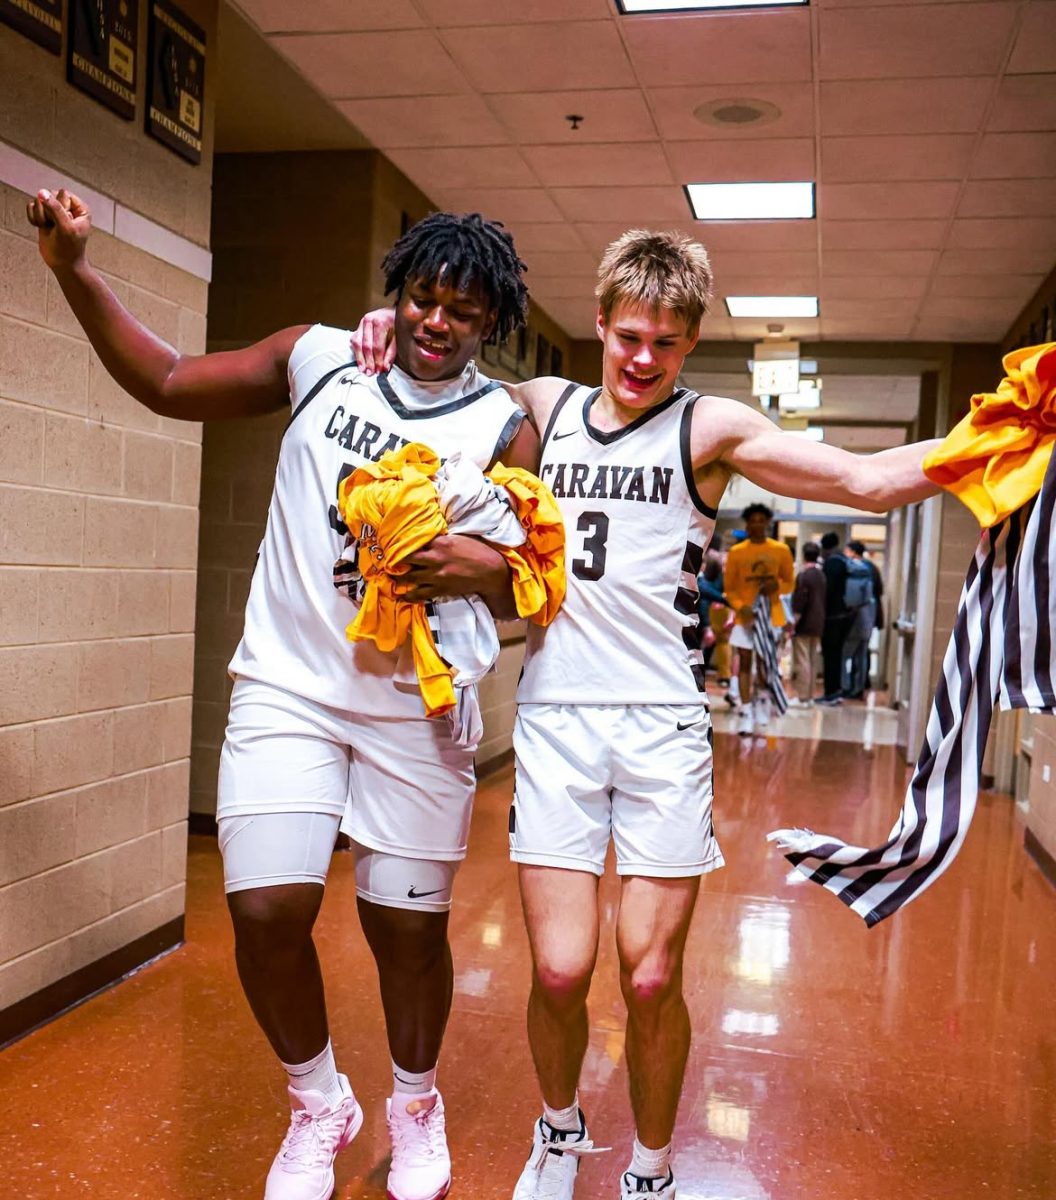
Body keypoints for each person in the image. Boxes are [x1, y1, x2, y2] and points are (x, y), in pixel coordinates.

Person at [351, 228, 942, 1199]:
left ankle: (655, 1170)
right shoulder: (542, 407)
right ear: (598, 323)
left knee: (652, 977)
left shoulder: (707, 431)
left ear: (690, 342)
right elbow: (430, 380)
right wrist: (379, 331)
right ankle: (558, 1131)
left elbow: (865, 480)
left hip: (663, 726)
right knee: (556, 972)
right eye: (628, 336)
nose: (640, 359)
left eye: (664, 345)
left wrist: (1002, 438)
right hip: (555, 718)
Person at [28, 187, 539, 1200]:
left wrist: (460, 566)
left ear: (493, 324)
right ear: (397, 293)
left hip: (415, 705)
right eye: (425, 297)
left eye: (466, 310)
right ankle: (320, 1105)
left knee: (406, 930)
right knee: (264, 909)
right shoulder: (320, 357)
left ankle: (413, 1102)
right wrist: (76, 273)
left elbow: (526, 579)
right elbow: (171, 381)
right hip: (288, 686)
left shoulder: (502, 421)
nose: (439, 321)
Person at [723, 504, 794, 736]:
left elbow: (790, 582)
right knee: (744, 661)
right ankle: (745, 710)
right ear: (746, 524)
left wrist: (778, 586)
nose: (757, 524)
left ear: (768, 523)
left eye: (761, 520)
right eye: (752, 520)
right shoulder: (737, 552)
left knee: (766, 662)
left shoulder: (781, 549)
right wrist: (740, 607)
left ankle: (763, 702)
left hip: (771, 615)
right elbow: (729, 589)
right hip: (746, 616)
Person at [790, 540, 826, 705]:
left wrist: (793, 623)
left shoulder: (804, 575)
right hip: (819, 623)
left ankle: (803, 696)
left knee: (802, 660)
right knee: (812, 660)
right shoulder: (821, 575)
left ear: (804, 555)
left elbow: (799, 602)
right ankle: (811, 695)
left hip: (805, 623)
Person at [818, 531, 851, 705]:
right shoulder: (844, 561)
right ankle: (837, 690)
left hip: (831, 617)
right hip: (844, 615)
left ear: (825, 547)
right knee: (837, 655)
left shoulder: (831, 564)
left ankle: (830, 692)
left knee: (830, 655)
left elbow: (827, 591)